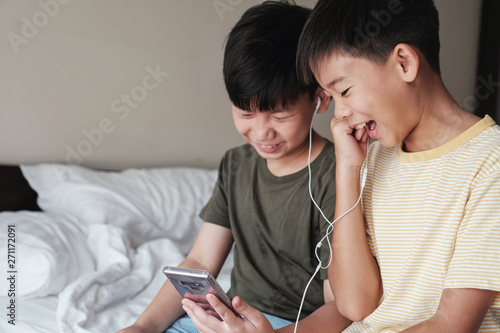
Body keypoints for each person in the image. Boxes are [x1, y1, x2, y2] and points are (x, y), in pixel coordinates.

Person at [119, 1, 351, 332]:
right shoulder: (236, 165)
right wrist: (142, 327)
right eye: (245, 113)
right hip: (231, 320)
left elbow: (339, 307)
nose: (261, 132)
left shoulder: (337, 174)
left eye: (280, 114)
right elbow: (200, 261)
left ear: (320, 98)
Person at [292, 0, 500, 331]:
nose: (339, 115)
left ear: (404, 63)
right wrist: (347, 170)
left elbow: (450, 325)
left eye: (344, 90)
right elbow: (353, 304)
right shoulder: (376, 157)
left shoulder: (490, 163)